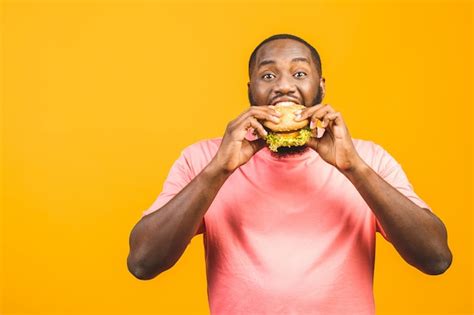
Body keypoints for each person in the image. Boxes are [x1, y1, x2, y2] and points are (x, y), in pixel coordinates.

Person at [127, 34, 452, 314]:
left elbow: (435, 259)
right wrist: (216, 171)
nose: (284, 86)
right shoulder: (204, 158)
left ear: (321, 87)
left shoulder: (367, 158)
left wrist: (355, 169)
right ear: (250, 89)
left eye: (299, 73)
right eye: (268, 76)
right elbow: (143, 263)